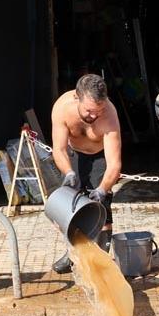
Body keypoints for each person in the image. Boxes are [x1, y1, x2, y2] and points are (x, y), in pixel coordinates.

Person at [50, 74, 123, 274]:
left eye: (98, 111)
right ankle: (72, 255)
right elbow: (59, 149)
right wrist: (68, 172)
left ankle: (101, 258)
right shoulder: (62, 108)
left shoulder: (109, 116)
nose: (93, 116)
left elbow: (115, 164)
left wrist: (102, 189)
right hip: (72, 155)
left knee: (102, 206)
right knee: (70, 206)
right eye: (89, 111)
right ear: (77, 97)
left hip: (99, 156)